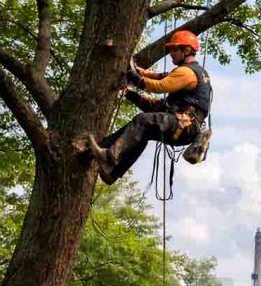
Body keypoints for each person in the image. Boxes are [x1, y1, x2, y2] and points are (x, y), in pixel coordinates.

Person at [87, 30, 213, 185]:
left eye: (174, 49)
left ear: (186, 50)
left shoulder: (187, 73)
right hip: (182, 125)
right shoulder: (186, 72)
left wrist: (134, 77)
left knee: (143, 120)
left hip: (184, 125)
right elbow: (156, 92)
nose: (171, 53)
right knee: (142, 131)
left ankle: (109, 157)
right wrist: (129, 92)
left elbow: (160, 85)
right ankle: (111, 170)